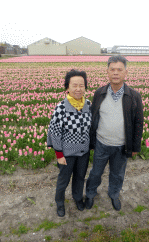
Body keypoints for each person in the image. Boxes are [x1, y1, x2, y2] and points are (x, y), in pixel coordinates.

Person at [85, 55, 143, 211]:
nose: (116, 73)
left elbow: (138, 122)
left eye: (119, 69)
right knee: (96, 173)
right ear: (107, 72)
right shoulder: (99, 93)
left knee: (117, 174)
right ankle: (90, 194)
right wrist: (91, 141)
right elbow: (93, 117)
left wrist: (135, 146)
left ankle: (114, 194)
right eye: (112, 69)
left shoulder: (134, 96)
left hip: (122, 146)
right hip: (101, 143)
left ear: (126, 73)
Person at [47, 69, 92, 217]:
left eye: (81, 85)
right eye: (74, 85)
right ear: (68, 87)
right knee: (63, 180)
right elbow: (54, 132)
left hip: (83, 152)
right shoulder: (61, 108)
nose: (78, 89)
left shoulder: (88, 105)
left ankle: (78, 198)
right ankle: (60, 202)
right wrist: (59, 154)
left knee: (80, 177)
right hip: (66, 154)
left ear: (85, 87)